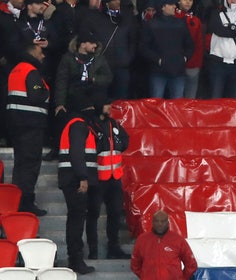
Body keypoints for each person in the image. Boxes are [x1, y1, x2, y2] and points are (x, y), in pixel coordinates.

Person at [7, 34, 50, 217]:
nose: (43, 55)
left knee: (21, 165)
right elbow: (36, 96)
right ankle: (26, 202)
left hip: (17, 124)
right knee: (30, 165)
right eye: (41, 51)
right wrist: (46, 91)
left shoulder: (16, 70)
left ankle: (17, 201)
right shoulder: (31, 71)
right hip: (31, 125)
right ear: (32, 51)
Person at [58, 104, 100, 275]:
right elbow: (77, 153)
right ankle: (76, 260)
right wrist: (83, 177)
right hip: (75, 180)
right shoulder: (78, 126)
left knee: (75, 219)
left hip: (71, 178)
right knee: (76, 220)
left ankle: (74, 258)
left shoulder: (74, 124)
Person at [87, 106, 131, 261]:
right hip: (97, 178)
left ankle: (114, 248)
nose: (109, 108)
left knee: (115, 213)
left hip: (115, 177)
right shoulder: (91, 125)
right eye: (106, 105)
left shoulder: (115, 124)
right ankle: (93, 250)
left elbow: (125, 141)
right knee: (93, 215)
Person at [131, 209, 198, 280]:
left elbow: (191, 264)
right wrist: (145, 276)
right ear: (152, 222)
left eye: (163, 221)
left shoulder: (178, 240)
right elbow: (135, 265)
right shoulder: (142, 240)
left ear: (168, 222)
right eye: (157, 221)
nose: (160, 224)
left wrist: (181, 278)